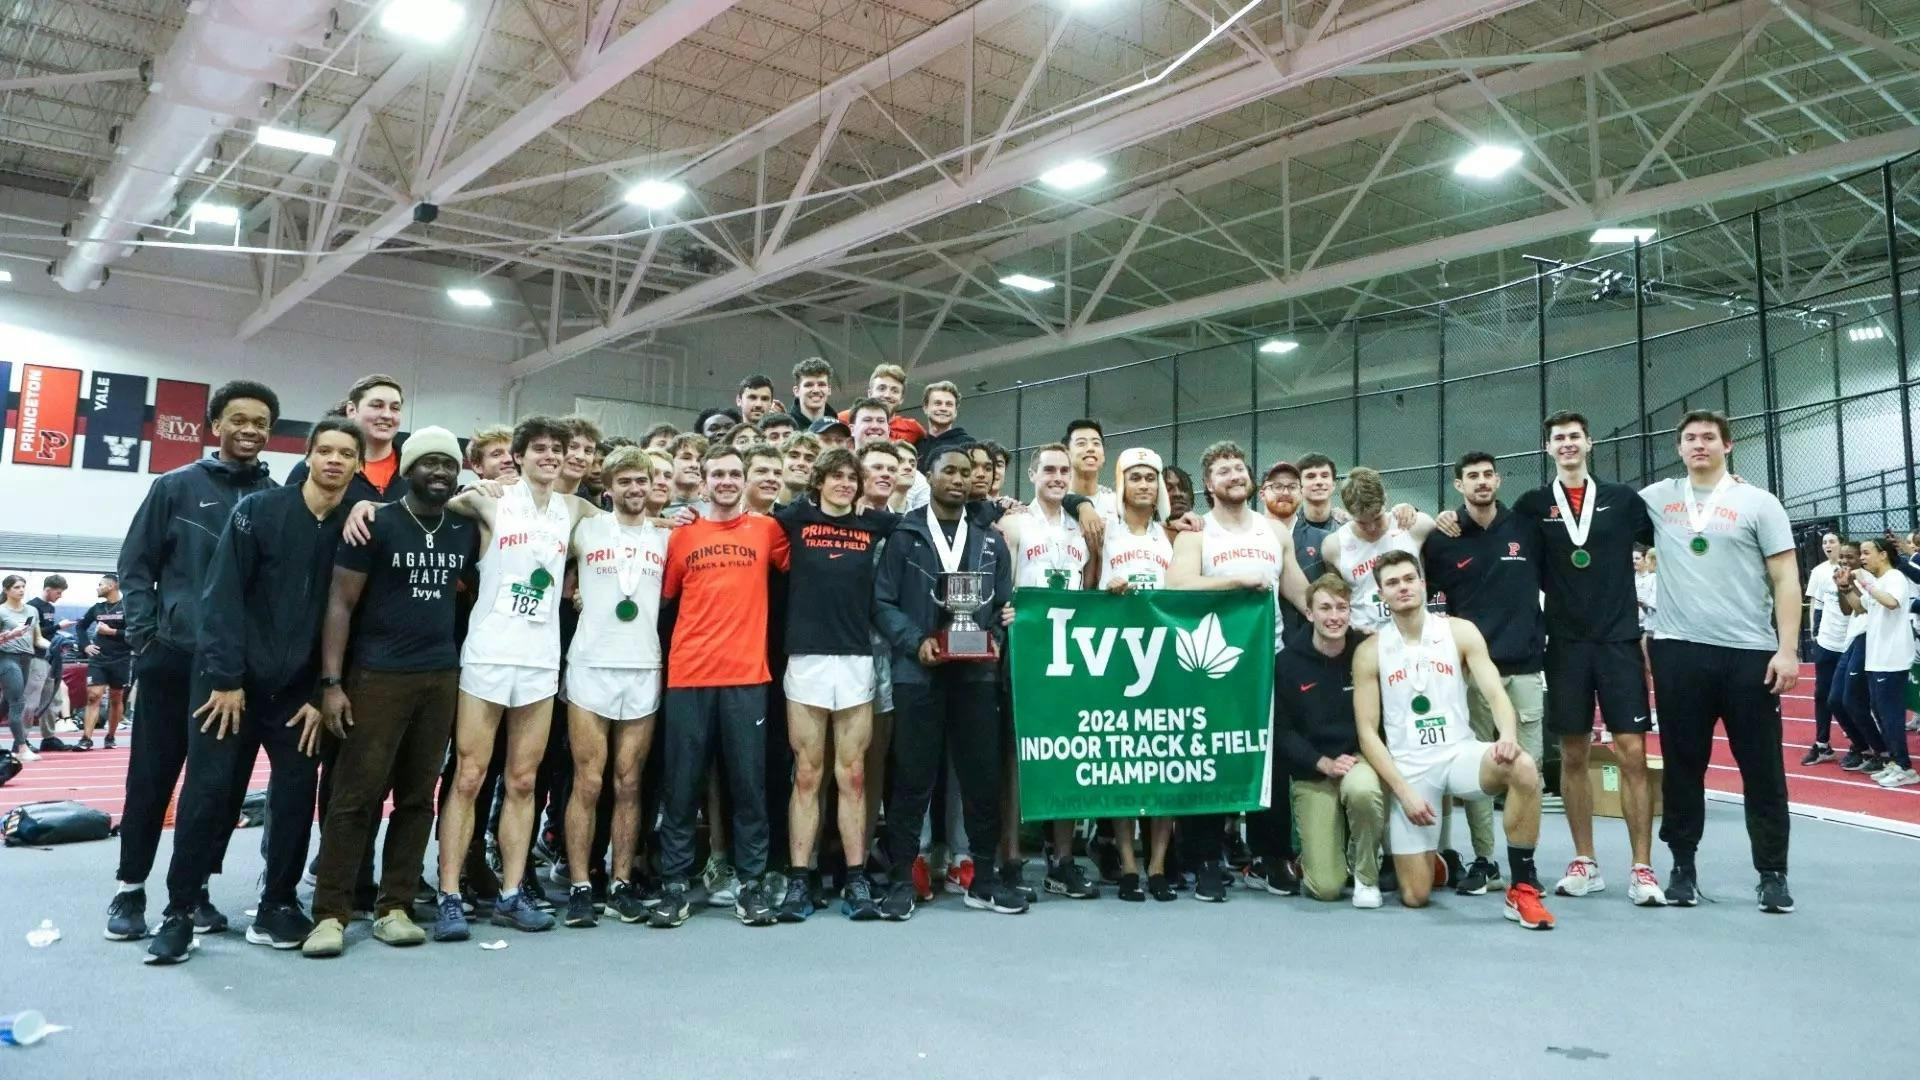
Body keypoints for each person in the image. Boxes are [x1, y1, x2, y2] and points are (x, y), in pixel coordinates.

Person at [145, 419, 364, 965]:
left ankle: (277, 904)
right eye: (326, 451)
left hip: (299, 697)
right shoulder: (259, 513)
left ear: (358, 465)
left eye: (346, 454)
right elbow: (221, 600)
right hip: (229, 687)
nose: (335, 461)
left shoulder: (356, 530)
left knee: (293, 797)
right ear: (308, 456)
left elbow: (351, 621)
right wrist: (225, 679)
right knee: (208, 792)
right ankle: (179, 910)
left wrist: (321, 690)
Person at [107, 379, 281, 945]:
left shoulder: (274, 499)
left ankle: (195, 890)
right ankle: (130, 888)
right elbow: (135, 565)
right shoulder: (175, 487)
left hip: (231, 674)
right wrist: (145, 637)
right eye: (239, 419)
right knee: (151, 780)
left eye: (260, 421)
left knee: (216, 788)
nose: (250, 429)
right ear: (216, 425)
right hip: (171, 660)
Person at [302, 428, 477, 958]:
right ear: (408, 469)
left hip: (440, 676)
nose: (440, 472)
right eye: (430, 463)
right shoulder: (375, 522)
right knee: (355, 796)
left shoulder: (465, 529)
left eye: (449, 463)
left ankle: (394, 906)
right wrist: (332, 683)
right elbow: (339, 604)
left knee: (419, 798)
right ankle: (330, 913)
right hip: (377, 676)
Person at [430, 416, 601, 939]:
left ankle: (510, 892)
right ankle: (450, 893)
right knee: (469, 776)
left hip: (540, 662)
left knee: (523, 781)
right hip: (487, 658)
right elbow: (443, 502)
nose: (550, 456)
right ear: (520, 456)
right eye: (540, 449)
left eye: (558, 449)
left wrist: (670, 523)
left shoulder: (574, 509)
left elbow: (625, 519)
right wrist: (475, 485)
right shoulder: (490, 500)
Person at [1639, 409, 1801, 913]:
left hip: (1749, 654)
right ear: (1679, 448)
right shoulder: (1656, 499)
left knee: (1763, 769)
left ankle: (1772, 873)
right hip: (1679, 651)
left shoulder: (1759, 502)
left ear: (1728, 446)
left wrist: (1788, 648)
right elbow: (1591, 510)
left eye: (1709, 437)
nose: (1699, 445)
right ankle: (1682, 868)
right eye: (1690, 438)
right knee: (1683, 766)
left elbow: (1786, 580)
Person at [1352, 551, 1555, 928]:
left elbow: (1495, 693)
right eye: (1393, 583)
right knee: (1415, 896)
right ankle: (1432, 861)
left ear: (1423, 582)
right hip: (1411, 769)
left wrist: (1508, 735)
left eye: (1409, 578)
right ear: (1381, 594)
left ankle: (1523, 888)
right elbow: (1367, 732)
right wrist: (1403, 791)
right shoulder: (1369, 652)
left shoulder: (1459, 631)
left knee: (1523, 767)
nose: (1403, 587)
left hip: (1460, 754)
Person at [873, 444, 1029, 919]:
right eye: (949, 471)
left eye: (967, 472)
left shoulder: (989, 539)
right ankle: (901, 878)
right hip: (918, 672)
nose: (959, 479)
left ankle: (983, 877)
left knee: (981, 775)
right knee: (912, 777)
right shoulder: (904, 536)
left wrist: (999, 633)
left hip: (975, 673)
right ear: (929, 476)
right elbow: (882, 602)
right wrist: (915, 641)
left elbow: (1004, 603)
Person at [649, 446, 792, 929]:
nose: (727, 481)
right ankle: (674, 886)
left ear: (746, 480)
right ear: (704, 480)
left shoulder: (768, 530)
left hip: (748, 678)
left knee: (748, 788)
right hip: (688, 676)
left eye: (735, 473)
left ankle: (750, 886)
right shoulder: (682, 535)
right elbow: (663, 598)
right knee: (681, 787)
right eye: (719, 474)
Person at [1169, 441, 1310, 901]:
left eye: (1239, 468)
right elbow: (1179, 585)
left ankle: (1270, 858)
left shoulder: (1275, 532)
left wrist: (1340, 617)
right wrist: (1235, 582)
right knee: (1211, 758)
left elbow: (1301, 595)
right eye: (1223, 471)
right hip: (1211, 666)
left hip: (1267, 661)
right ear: (1209, 484)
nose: (1234, 475)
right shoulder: (1196, 533)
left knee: (1273, 761)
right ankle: (1205, 859)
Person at [772, 448, 896, 921]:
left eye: (851, 477)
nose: (844, 483)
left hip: (855, 660)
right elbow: (751, 512)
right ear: (819, 481)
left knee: (854, 775)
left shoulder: (874, 525)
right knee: (808, 773)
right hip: (806, 657)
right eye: (836, 476)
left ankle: (856, 878)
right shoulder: (794, 519)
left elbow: (926, 522)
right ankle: (800, 880)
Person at [1420, 451, 1545, 896]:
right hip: (1469, 674)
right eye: (1471, 476)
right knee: (1477, 770)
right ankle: (1485, 860)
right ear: (1458, 485)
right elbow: (1434, 606)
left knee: (1527, 771)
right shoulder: (1442, 538)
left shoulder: (1525, 528)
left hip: (1525, 668)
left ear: (1499, 479)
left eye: (1488, 475)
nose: (1481, 482)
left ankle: (1524, 866)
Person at [555, 447, 670, 927]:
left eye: (641, 481)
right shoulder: (585, 528)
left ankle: (621, 883)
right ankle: (582, 884)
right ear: (608, 486)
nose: (634, 489)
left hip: (643, 666)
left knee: (629, 782)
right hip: (590, 666)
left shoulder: (667, 536)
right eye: (624, 481)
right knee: (589, 780)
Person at [998, 443, 1102, 900]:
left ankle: (1062, 860)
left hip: (1071, 654)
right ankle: (1011, 860)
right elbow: (1000, 586)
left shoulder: (1083, 528)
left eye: (1065, 470)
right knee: (1018, 755)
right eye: (1050, 470)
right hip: (1025, 650)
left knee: (1067, 752)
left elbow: (1090, 584)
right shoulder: (1014, 524)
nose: (1058, 477)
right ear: (1033, 475)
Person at [1095, 449, 1178, 901]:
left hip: (1164, 657)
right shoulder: (1104, 532)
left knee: (1162, 759)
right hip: (1118, 656)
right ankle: (1128, 865)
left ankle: (1159, 866)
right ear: (1122, 483)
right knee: (1123, 762)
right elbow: (1088, 585)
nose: (1144, 484)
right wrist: (1108, 590)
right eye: (1135, 477)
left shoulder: (1172, 534)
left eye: (1151, 478)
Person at [1274, 574, 1385, 907]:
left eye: (1341, 607)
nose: (1334, 616)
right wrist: (1321, 763)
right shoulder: (1287, 663)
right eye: (1325, 608)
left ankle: (1367, 876)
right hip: (1314, 770)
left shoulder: (1366, 651)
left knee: (1364, 791)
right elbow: (1282, 731)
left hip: (1358, 759)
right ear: (1309, 613)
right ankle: (1323, 854)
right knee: (1325, 887)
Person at [1323, 467, 1433, 635]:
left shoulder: (1415, 525)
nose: (1371, 527)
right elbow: (1337, 595)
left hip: (1416, 633)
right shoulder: (1333, 546)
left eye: (1377, 518)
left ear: (1385, 500)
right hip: (1365, 637)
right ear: (1348, 512)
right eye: (1362, 523)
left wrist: (1447, 516)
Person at [1849, 538, 1917, 787]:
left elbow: (1891, 602)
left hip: (1892, 658)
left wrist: (1864, 581)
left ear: (1883, 555)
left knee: (1891, 716)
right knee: (1879, 712)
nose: (1862, 557)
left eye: (1867, 553)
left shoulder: (1895, 578)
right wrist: (1846, 587)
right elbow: (1859, 608)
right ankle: (1895, 761)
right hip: (1876, 658)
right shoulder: (1876, 582)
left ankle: (1905, 767)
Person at [288, 374, 407, 502]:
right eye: (377, 405)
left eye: (395, 408)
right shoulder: (312, 469)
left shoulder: (413, 471)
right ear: (351, 410)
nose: (387, 415)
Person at [1803, 533, 1844, 765]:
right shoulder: (1819, 572)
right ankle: (1822, 743)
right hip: (1827, 641)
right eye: (1825, 542)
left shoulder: (1857, 571)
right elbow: (1815, 605)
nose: (1828, 546)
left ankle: (1871, 742)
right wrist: (1814, 632)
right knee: (1822, 693)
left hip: (1850, 641)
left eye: (1832, 541)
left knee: (1852, 696)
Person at [78, 574, 131, 750]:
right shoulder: (97, 608)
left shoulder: (128, 607)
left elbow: (135, 632)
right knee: (94, 696)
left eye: (100, 584)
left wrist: (113, 632)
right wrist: (85, 645)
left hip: (121, 658)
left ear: (112, 586)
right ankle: (86, 738)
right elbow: (81, 626)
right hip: (99, 658)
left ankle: (111, 736)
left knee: (116, 699)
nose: (97, 588)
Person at [1, 575, 48, 760]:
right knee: (18, 701)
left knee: (6, 702)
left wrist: (55, 644)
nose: (21, 590)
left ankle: (20, 746)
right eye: (16, 587)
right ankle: (21, 748)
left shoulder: (32, 610)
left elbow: (37, 639)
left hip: (27, 658)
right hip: (6, 658)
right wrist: (11, 635)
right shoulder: (1, 611)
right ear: (6, 590)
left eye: (23, 586)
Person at [838, 364, 924, 445]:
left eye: (894, 391)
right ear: (870, 393)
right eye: (882, 388)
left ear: (901, 399)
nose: (887, 395)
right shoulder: (843, 419)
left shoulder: (913, 428)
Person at [1291, 453, 1343, 581]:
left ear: (1333, 484)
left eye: (1325, 476)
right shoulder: (1290, 531)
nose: (1319, 482)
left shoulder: (1348, 528)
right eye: (1311, 476)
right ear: (1299, 486)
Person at [1065, 419, 1116, 515]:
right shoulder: (1054, 502)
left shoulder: (1117, 504)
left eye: (1096, 443)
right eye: (1081, 443)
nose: (1090, 448)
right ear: (1067, 454)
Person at [665, 433, 708, 509]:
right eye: (686, 458)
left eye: (699, 460)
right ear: (669, 463)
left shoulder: (716, 513)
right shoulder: (653, 510)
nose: (694, 465)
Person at [789, 357, 835, 427]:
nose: (816, 390)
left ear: (829, 390)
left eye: (821, 385)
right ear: (796, 391)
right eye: (809, 385)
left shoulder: (839, 428)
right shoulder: (786, 429)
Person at [778, 432, 822, 506]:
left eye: (809, 459)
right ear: (781, 460)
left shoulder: (824, 510)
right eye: (794, 456)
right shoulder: (763, 501)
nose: (801, 463)